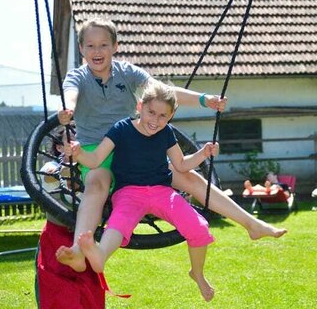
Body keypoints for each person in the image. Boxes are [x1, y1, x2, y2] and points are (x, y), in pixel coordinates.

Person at [56, 18, 286, 271]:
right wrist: (68, 108)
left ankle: (251, 224)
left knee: (191, 178)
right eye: (90, 46)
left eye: (103, 45)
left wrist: (204, 99)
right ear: (81, 49)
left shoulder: (128, 73)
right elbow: (71, 94)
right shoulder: (77, 76)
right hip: (97, 149)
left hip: (136, 146)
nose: (97, 52)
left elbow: (164, 92)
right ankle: (79, 252)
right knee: (96, 185)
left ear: (115, 47)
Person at [60, 82, 218, 301]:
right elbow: (95, 159)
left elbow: (181, 165)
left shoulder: (166, 133)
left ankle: (198, 274)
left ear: (171, 116)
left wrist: (203, 153)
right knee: (119, 223)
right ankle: (100, 255)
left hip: (163, 192)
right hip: (129, 193)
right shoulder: (122, 129)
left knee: (198, 226)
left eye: (163, 116)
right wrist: (77, 154)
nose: (155, 120)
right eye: (151, 112)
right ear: (140, 106)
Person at [35, 126, 104, 309]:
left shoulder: (93, 173)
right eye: (70, 139)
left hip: (83, 238)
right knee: (57, 288)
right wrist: (66, 170)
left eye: (79, 138)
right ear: (59, 147)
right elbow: (50, 178)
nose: (76, 142)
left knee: (89, 289)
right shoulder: (51, 167)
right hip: (56, 236)